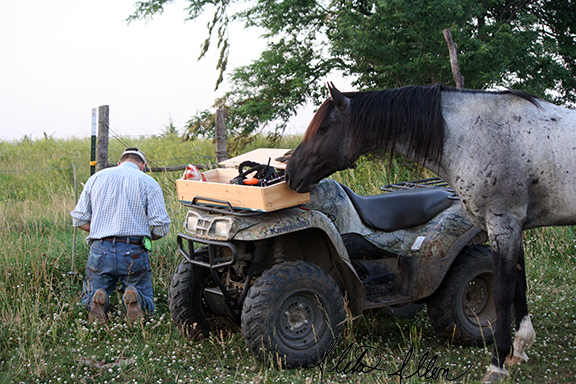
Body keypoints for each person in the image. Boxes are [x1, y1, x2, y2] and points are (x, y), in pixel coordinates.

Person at [71, 147, 171, 324]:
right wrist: (147, 236)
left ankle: (97, 299)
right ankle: (136, 298)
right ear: (143, 166)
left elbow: (79, 219)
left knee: (88, 296)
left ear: (119, 163)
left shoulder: (96, 178)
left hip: (100, 249)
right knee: (146, 296)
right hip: (134, 249)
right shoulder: (148, 182)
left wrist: (101, 230)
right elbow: (161, 226)